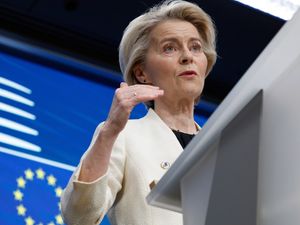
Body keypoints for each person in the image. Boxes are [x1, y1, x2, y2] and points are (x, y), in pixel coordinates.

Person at [61, 0, 217, 224]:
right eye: (170, 48)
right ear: (142, 73)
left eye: (195, 47)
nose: (187, 56)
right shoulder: (122, 136)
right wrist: (110, 131)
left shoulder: (221, 145)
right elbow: (79, 217)